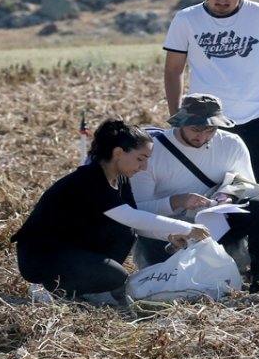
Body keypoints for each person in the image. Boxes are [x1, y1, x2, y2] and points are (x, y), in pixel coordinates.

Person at [12, 120, 209, 305]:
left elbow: (133, 222)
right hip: (41, 255)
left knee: (123, 234)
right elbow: (131, 217)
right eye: (141, 159)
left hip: (72, 247)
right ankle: (47, 286)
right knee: (116, 277)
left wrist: (170, 235)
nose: (145, 167)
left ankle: (85, 287)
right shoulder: (90, 179)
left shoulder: (120, 180)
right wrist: (188, 227)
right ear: (118, 153)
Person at [162, 0, 259, 201]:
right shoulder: (186, 19)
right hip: (208, 121)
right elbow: (173, 70)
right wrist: (178, 117)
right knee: (213, 192)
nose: (222, 1)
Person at [130, 93, 259, 293]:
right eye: (195, 129)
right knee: (171, 286)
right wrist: (176, 202)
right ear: (180, 122)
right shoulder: (153, 151)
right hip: (167, 232)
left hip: (216, 225)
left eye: (211, 130)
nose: (202, 137)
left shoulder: (231, 143)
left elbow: (248, 186)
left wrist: (228, 195)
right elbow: (137, 211)